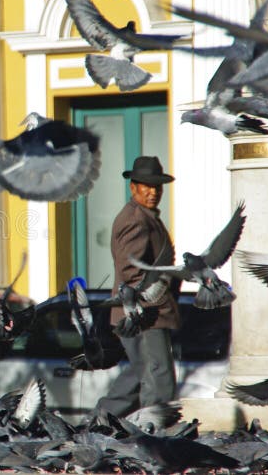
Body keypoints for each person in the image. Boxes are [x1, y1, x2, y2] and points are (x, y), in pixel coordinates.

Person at [93, 156, 181, 417]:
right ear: (133, 187)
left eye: (158, 187)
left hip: (144, 311)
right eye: (146, 186)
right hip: (144, 313)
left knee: (140, 372)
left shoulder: (146, 216)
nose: (153, 192)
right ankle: (157, 433)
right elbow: (131, 270)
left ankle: (100, 421)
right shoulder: (135, 218)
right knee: (159, 375)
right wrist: (148, 302)